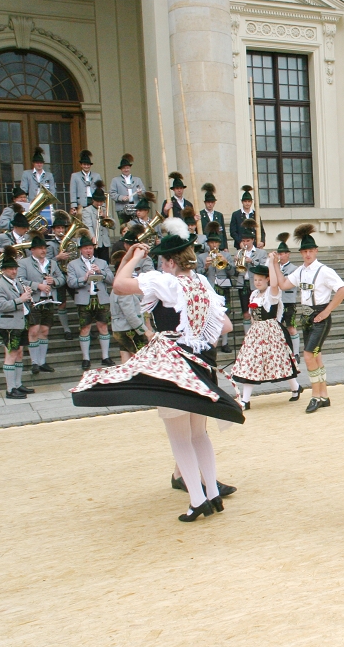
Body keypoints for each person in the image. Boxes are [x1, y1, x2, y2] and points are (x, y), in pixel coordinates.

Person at [71, 218, 244, 522]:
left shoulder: (168, 282)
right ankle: (212, 495)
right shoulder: (201, 283)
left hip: (173, 364)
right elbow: (225, 325)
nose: (161, 265)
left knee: (180, 437)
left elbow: (120, 285)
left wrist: (133, 257)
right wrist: (195, 332)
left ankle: (197, 500)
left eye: (163, 261)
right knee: (198, 434)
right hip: (200, 362)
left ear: (171, 261)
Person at [271, 224, 344, 414]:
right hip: (306, 315)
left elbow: (342, 289)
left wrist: (327, 311)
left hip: (320, 315)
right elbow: (283, 285)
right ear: (301, 253)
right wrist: (275, 264)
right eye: (305, 251)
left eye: (310, 251)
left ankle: (315, 396)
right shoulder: (300, 271)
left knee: (308, 355)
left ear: (316, 251)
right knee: (316, 355)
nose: (307, 254)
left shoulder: (324, 270)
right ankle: (323, 395)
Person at [229, 257, 301, 409]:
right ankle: (245, 400)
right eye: (255, 280)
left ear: (267, 279)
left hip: (271, 332)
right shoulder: (254, 294)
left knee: (280, 362)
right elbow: (252, 315)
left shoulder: (271, 293)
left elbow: (274, 284)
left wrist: (272, 264)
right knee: (250, 363)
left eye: (260, 279)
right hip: (256, 332)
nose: (257, 282)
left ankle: (295, 387)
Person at [17, 230, 65, 375]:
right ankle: (34, 362)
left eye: (44, 248)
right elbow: (20, 280)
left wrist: (54, 281)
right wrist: (37, 285)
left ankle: (42, 361)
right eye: (40, 248)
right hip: (34, 300)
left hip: (48, 300)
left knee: (44, 330)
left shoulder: (52, 263)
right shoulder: (24, 263)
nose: (43, 251)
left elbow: (62, 279)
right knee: (34, 330)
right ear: (32, 250)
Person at [0, 246, 35, 400]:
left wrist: (27, 295)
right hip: (8, 325)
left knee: (19, 353)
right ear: (4, 270)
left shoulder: (17, 283)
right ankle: (10, 389)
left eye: (15, 269)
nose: (14, 271)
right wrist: (20, 300)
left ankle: (18, 384)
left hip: (20, 322)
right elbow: (1, 305)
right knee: (11, 354)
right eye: (10, 269)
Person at [67, 230, 115, 370]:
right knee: (85, 328)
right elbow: (71, 282)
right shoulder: (73, 264)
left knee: (103, 326)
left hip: (101, 299)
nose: (89, 251)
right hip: (84, 299)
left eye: (90, 248)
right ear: (81, 250)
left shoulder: (102, 262)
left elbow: (112, 280)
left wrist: (101, 272)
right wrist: (84, 277)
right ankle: (86, 358)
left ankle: (105, 356)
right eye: (86, 248)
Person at [110, 231, 155, 363]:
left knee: (126, 360)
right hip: (128, 329)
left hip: (121, 329)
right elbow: (130, 314)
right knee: (142, 361)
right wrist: (145, 331)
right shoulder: (123, 290)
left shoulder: (118, 286)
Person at [198, 223, 235, 352]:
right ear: (208, 244)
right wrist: (206, 267)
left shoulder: (226, 255)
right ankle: (210, 342)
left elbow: (233, 272)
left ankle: (225, 343)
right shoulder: (201, 257)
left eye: (216, 243)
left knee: (225, 314)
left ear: (219, 244)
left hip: (223, 288)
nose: (214, 245)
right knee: (209, 316)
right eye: (211, 243)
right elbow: (198, 275)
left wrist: (225, 262)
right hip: (209, 288)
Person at [232, 220, 267, 336]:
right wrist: (235, 263)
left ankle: (258, 334)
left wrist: (251, 261)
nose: (245, 243)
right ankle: (248, 336)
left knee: (257, 311)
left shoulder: (261, 252)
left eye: (248, 241)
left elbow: (264, 267)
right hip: (243, 283)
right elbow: (234, 272)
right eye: (243, 241)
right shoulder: (239, 252)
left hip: (256, 284)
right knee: (246, 313)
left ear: (252, 240)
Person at [45, 212, 75, 339]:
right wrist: (58, 257)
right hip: (59, 276)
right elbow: (46, 262)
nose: (60, 230)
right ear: (54, 230)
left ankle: (84, 328)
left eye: (62, 228)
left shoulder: (70, 242)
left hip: (71, 275)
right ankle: (66, 330)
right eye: (58, 228)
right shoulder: (50, 245)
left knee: (80, 301)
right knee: (61, 303)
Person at [275, 233, 300, 360]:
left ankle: (296, 353)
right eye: (279, 253)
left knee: (291, 327)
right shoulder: (275, 268)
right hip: (277, 300)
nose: (280, 256)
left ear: (288, 254)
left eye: (282, 253)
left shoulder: (294, 268)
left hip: (288, 300)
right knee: (277, 328)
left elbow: (288, 282)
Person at [109, 154, 145, 227]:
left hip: (135, 207)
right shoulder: (115, 180)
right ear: (121, 169)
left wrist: (140, 194)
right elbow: (112, 193)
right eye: (124, 168)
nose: (126, 170)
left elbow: (144, 192)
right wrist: (121, 197)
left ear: (130, 168)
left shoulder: (137, 180)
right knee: (124, 227)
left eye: (127, 168)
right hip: (122, 208)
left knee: (136, 227)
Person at [82, 181, 111, 261]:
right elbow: (88, 226)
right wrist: (93, 237)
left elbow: (113, 225)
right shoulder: (87, 210)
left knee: (105, 263)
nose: (99, 203)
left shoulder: (105, 209)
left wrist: (105, 216)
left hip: (104, 241)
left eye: (101, 201)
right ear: (93, 200)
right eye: (97, 201)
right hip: (94, 240)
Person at [229, 185, 265, 250]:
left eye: (249, 201)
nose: (247, 203)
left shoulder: (256, 215)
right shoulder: (236, 214)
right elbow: (233, 232)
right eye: (245, 201)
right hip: (241, 245)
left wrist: (262, 241)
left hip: (254, 245)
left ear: (251, 202)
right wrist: (240, 242)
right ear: (242, 202)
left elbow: (261, 231)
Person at [69, 149, 102, 215]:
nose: (86, 166)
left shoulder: (96, 176)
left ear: (90, 165)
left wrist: (101, 204)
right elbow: (73, 191)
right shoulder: (75, 176)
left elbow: (101, 190)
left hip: (94, 201)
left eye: (88, 165)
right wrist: (73, 205)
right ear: (81, 165)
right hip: (81, 203)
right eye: (84, 164)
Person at [199, 183, 227, 250]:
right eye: (208, 202)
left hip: (218, 245)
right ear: (205, 203)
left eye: (212, 202)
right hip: (206, 245)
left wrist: (225, 247)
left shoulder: (219, 215)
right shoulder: (200, 214)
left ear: (214, 203)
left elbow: (223, 232)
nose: (210, 204)